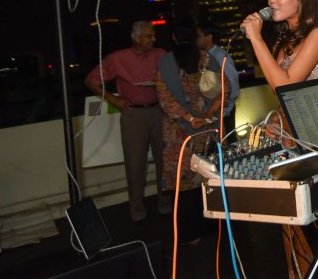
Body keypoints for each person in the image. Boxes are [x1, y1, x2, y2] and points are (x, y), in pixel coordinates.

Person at [240, 0, 318, 279]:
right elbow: (283, 96)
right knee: (293, 226)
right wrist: (277, 120)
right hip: (291, 141)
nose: (271, 0)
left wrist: (255, 37)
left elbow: (286, 85)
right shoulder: (285, 42)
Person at [84, 21, 172, 222]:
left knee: (165, 161)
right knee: (135, 163)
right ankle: (137, 211)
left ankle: (166, 205)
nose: (153, 39)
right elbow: (90, 80)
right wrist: (113, 99)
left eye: (154, 35)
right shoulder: (117, 58)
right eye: (149, 36)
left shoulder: (161, 54)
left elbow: (176, 78)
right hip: (133, 115)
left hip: (159, 112)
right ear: (136, 38)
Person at [156, 23, 229, 244]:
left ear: (174, 37)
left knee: (184, 183)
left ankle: (190, 234)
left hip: (179, 134)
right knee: (210, 177)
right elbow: (225, 89)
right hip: (208, 130)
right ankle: (215, 226)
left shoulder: (166, 63)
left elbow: (165, 100)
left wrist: (189, 118)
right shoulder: (208, 59)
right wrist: (209, 113)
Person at [196, 21, 240, 138]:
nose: (196, 39)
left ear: (209, 36)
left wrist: (224, 110)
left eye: (199, 35)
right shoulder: (202, 57)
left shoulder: (220, 57)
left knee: (228, 142)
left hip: (223, 113)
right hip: (212, 113)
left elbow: (233, 86)